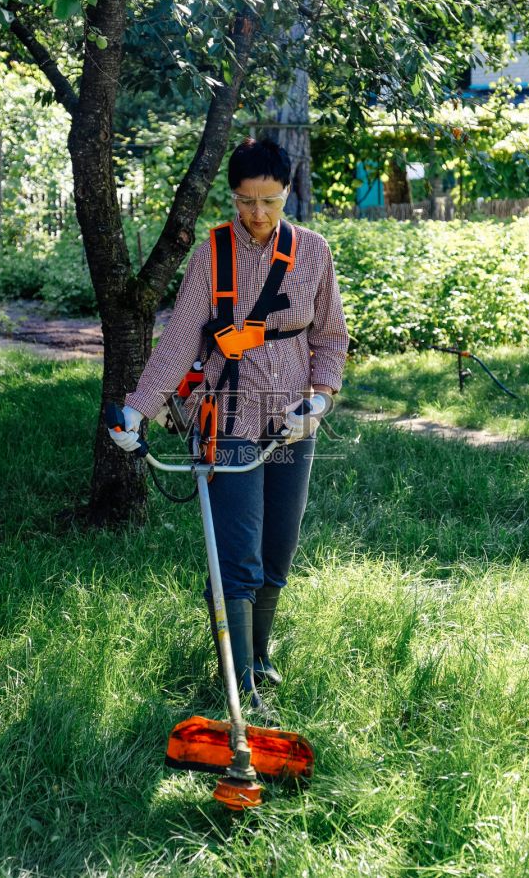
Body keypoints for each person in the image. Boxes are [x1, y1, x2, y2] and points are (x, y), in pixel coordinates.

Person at [109, 137, 349, 713]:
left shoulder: (313, 250)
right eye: (246, 201)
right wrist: (140, 406)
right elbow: (179, 340)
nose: (258, 215)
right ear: (233, 196)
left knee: (277, 550)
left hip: (292, 421)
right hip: (228, 417)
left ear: (288, 192)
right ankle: (239, 687)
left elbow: (330, 337)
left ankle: (259, 660)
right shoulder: (210, 254)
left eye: (269, 200)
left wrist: (320, 400)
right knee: (238, 554)